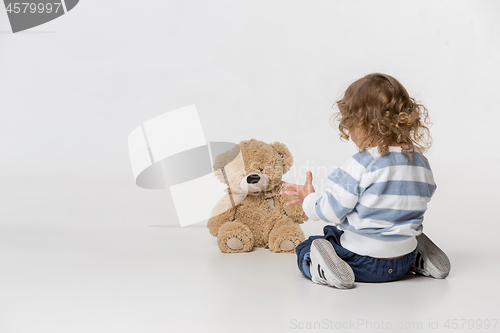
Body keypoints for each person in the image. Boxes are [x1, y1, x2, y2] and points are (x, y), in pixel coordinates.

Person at [280, 73, 450, 289]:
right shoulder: (420, 161)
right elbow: (425, 195)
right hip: (402, 260)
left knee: (314, 242)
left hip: (363, 263)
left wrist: (309, 200)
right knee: (397, 232)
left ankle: (325, 269)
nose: (349, 132)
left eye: (350, 125)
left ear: (365, 126)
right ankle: (418, 255)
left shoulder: (360, 164)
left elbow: (332, 210)